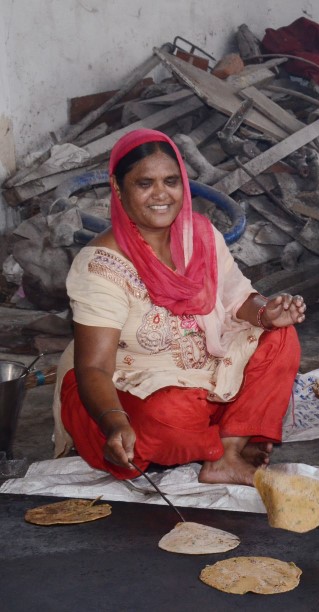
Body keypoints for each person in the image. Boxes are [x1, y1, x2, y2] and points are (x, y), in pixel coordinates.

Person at [54, 129, 305, 487]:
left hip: (208, 376)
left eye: (171, 181)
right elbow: (93, 366)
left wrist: (268, 311)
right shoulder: (100, 266)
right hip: (134, 391)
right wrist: (114, 422)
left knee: (281, 339)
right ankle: (226, 436)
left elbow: (238, 299)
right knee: (165, 418)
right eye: (145, 183)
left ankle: (226, 453)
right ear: (117, 186)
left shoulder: (200, 236)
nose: (161, 194)